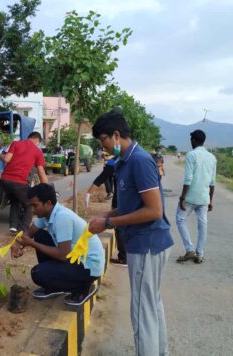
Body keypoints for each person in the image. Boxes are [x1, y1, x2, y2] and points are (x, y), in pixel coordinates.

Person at [89, 109, 173, 356]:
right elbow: (130, 205)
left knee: (141, 311)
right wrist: (107, 215)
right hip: (144, 243)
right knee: (152, 305)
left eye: (103, 140)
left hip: (147, 244)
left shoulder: (139, 160)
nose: (103, 146)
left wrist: (107, 225)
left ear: (116, 135)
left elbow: (154, 210)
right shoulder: (124, 162)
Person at [11, 184, 105, 306]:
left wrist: (31, 244)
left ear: (48, 203)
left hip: (88, 265)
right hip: (75, 257)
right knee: (40, 235)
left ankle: (83, 287)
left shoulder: (62, 217)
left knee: (38, 273)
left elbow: (62, 255)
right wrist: (17, 244)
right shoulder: (47, 214)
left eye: (35, 205)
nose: (33, 210)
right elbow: (29, 234)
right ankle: (54, 285)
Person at [176, 129, 216, 264]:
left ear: (193, 141)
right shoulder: (212, 157)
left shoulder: (191, 155)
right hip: (204, 198)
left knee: (180, 219)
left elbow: (188, 178)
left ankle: (189, 249)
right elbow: (212, 182)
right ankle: (200, 254)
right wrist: (210, 200)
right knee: (202, 225)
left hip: (190, 197)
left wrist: (182, 198)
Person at [0, 132, 48, 233]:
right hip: (18, 182)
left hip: (4, 180)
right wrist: (47, 188)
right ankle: (22, 230)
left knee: (16, 200)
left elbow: (6, 159)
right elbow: (41, 173)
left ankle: (13, 226)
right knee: (30, 204)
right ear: (38, 141)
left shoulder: (16, 143)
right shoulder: (38, 152)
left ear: (28, 138)